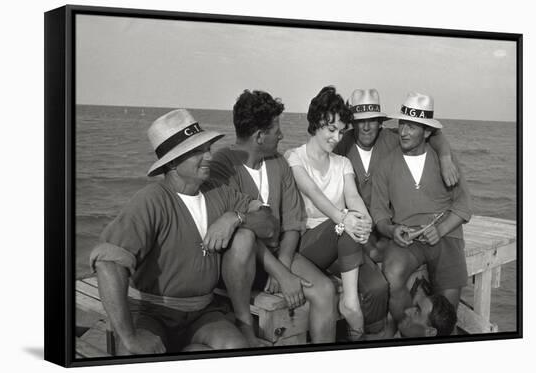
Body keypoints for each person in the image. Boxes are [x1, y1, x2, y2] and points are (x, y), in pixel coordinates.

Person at [89, 109, 278, 354]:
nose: (209, 156)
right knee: (135, 354)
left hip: (203, 312)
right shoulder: (150, 200)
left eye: (208, 148)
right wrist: (129, 337)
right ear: (173, 162)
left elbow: (269, 225)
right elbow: (107, 263)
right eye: (198, 151)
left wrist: (236, 217)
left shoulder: (218, 192)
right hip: (149, 313)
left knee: (235, 348)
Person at [210, 89, 337, 344]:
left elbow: (292, 223)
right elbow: (237, 233)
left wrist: (285, 265)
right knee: (244, 236)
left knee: (325, 290)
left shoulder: (278, 163)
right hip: (240, 263)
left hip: (279, 255)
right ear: (259, 136)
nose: (281, 134)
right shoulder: (223, 165)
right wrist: (279, 273)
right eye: (275, 129)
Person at [285, 86, 388, 340]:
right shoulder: (294, 157)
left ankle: (362, 340)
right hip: (309, 243)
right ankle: (350, 303)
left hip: (344, 237)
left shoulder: (342, 163)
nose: (337, 137)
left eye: (341, 131)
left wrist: (365, 222)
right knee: (341, 225)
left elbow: (353, 197)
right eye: (331, 129)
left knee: (378, 287)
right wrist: (344, 218)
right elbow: (312, 193)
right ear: (316, 122)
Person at [370, 92, 472, 335]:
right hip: (407, 238)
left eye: (412, 126)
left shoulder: (444, 160)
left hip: (446, 235)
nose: (403, 131)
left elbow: (464, 205)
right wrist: (393, 230)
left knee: (447, 306)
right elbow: (379, 214)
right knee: (392, 274)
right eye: (402, 124)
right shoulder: (386, 164)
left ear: (427, 132)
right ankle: (411, 333)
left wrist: (442, 229)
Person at [333, 88, 459, 261]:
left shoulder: (392, 139)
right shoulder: (341, 145)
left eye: (372, 120)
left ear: (380, 122)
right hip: (356, 223)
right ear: (352, 123)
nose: (367, 127)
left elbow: (433, 134)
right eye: (361, 121)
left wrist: (445, 159)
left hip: (386, 224)